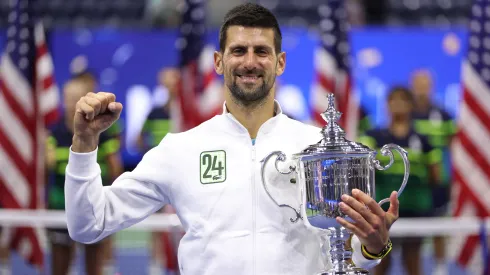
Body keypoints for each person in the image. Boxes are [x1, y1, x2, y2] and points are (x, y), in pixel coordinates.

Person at [64, 4, 400, 274]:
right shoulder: (180, 149)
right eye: (238, 50)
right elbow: (88, 225)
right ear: (219, 62)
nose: (250, 62)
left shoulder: (318, 147)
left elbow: (355, 252)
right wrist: (83, 143)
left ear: (280, 63)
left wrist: (373, 244)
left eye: (262, 52)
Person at [358, 86, 442, 275]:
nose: (397, 105)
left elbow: (436, 175)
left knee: (413, 261)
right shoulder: (373, 137)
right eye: (393, 100)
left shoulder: (423, 139)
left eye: (403, 100)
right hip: (382, 208)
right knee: (381, 260)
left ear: (411, 105)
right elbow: (362, 169)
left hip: (416, 208)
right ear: (386, 105)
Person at [46, 71, 123, 275]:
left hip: (94, 207)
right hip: (58, 207)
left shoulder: (103, 131)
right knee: (59, 266)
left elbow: (115, 167)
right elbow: (46, 166)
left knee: (94, 266)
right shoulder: (54, 132)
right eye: (68, 98)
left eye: (75, 98)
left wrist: (111, 204)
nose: (71, 103)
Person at [410, 69, 455, 275]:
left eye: (425, 85)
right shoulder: (405, 115)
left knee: (438, 225)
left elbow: (454, 146)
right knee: (410, 234)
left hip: (437, 182)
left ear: (431, 87)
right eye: (418, 85)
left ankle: (440, 267)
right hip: (413, 183)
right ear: (412, 86)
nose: (421, 90)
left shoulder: (444, 116)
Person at [139, 67, 183, 275]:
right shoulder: (155, 113)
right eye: (167, 83)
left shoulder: (186, 114)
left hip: (181, 180)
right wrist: (152, 157)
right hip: (158, 179)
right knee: (156, 223)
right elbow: (138, 138)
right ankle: (155, 266)